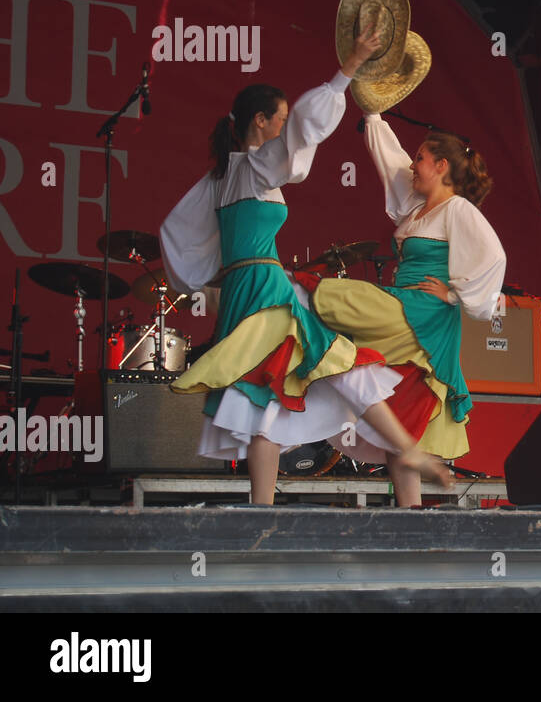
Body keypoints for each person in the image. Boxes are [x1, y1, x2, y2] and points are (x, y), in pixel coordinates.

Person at [161, 25, 452, 504]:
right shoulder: (250, 168)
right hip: (266, 291)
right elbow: (300, 134)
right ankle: (406, 448)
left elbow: (176, 232)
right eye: (276, 121)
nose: (283, 128)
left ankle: (261, 509)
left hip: (245, 291)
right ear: (259, 121)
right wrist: (348, 69)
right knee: (339, 361)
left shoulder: (223, 174)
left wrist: (214, 274)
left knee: (265, 395)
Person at [309, 113, 506, 507]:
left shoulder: (457, 210)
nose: (412, 165)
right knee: (401, 423)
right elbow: (392, 162)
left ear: (441, 166)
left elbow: (493, 256)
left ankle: (294, 292)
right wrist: (373, 117)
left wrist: (454, 295)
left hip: (425, 316)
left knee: (340, 297)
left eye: (420, 158)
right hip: (408, 308)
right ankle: (410, 514)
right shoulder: (417, 208)